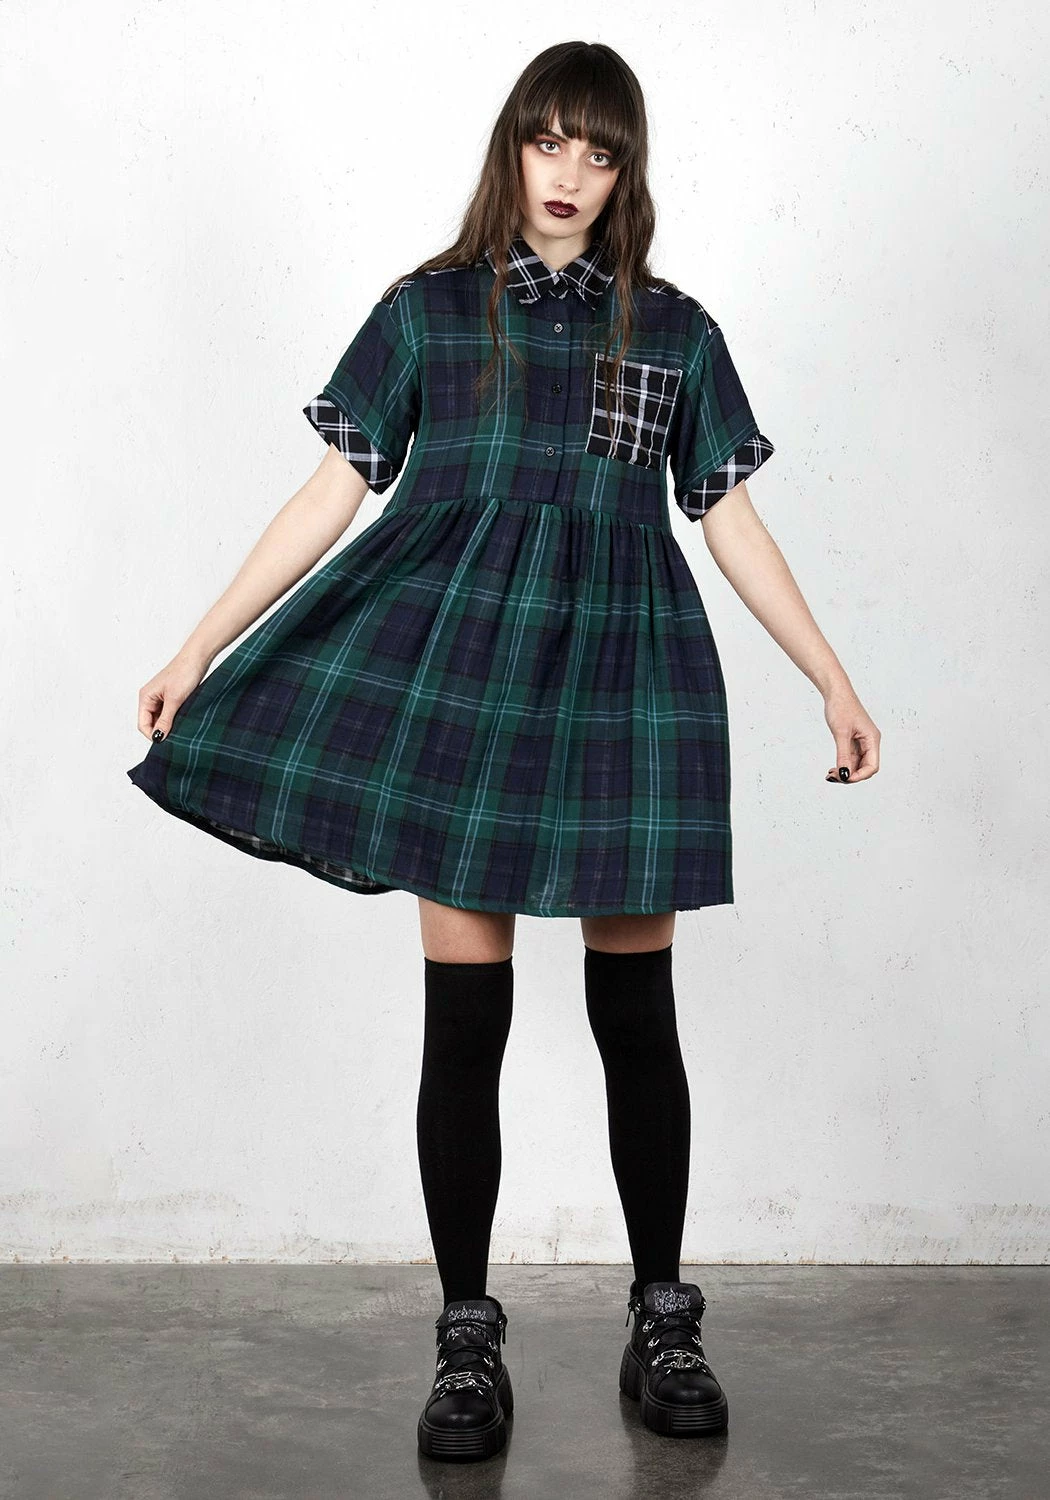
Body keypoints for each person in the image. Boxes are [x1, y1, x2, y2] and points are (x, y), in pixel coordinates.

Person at [126, 40, 880, 1464]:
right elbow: (332, 492)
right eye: (548, 142)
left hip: (624, 683)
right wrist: (198, 647)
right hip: (464, 690)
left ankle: (663, 1320)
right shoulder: (427, 313)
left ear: (625, 169)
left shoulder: (672, 330)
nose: (569, 174)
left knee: (634, 1015)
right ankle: (467, 1339)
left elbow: (726, 516)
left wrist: (830, 677)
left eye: (599, 150)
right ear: (511, 148)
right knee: (464, 1026)